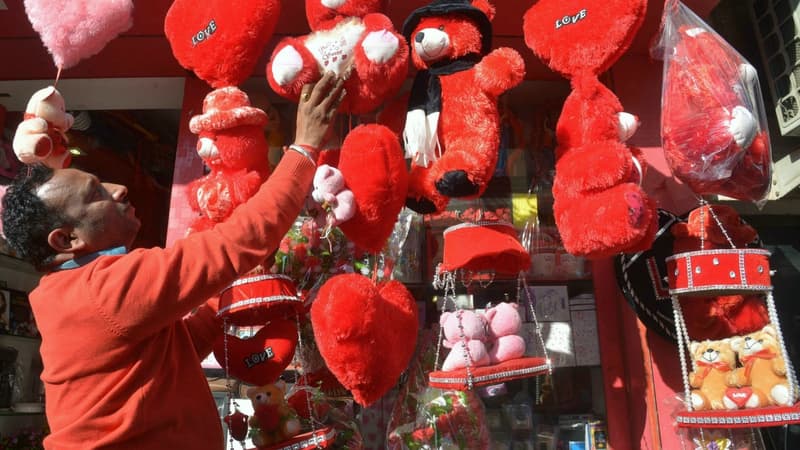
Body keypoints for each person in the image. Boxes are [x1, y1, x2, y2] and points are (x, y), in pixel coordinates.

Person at [0, 72, 346, 450]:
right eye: (96, 193)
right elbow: (238, 242)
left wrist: (231, 296)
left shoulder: (72, 291)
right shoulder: (104, 288)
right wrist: (305, 149)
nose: (119, 188)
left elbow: (173, 349)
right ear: (67, 239)